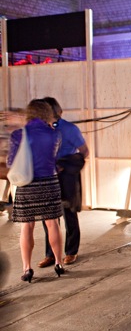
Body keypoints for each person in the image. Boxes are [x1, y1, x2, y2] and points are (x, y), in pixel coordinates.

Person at [7, 99, 65, 282]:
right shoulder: (55, 134)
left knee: (27, 226)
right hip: (49, 182)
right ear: (47, 113)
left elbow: (11, 162)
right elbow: (54, 158)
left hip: (27, 185)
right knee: (52, 223)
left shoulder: (18, 134)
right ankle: (58, 263)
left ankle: (27, 268)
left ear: (29, 113)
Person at [38, 97, 88, 268]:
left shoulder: (70, 129)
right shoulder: (41, 130)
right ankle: (51, 254)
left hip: (66, 176)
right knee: (49, 216)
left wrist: (66, 164)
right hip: (47, 175)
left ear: (58, 112)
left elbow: (84, 151)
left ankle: (71, 251)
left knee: (69, 213)